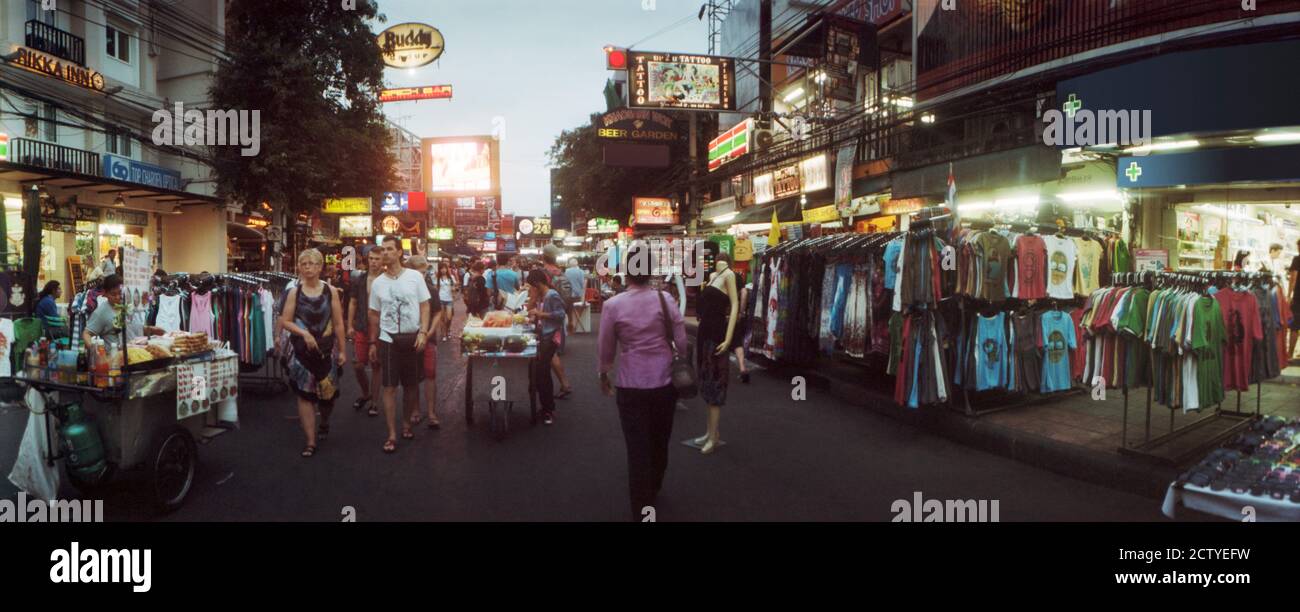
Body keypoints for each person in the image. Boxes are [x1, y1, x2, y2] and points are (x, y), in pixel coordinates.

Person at [598, 241, 687, 520]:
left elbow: (606, 346)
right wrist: (679, 357)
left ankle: (642, 506)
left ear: (626, 271)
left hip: (630, 384)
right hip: (664, 384)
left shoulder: (612, 305)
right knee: (660, 439)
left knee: (637, 447)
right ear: (650, 272)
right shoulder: (666, 300)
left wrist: (604, 372)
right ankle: (655, 485)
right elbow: (682, 341)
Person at [279, 249, 348, 458]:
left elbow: (338, 323)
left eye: (312, 264)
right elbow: (286, 321)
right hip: (302, 351)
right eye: (304, 264)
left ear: (320, 267)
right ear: (299, 267)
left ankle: (324, 421)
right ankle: (310, 441)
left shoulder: (330, 292)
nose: (307, 267)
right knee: (304, 395)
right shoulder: (294, 292)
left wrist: (343, 350)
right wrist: (304, 333)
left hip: (327, 350)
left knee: (327, 397)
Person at [368, 236, 432, 454]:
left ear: (399, 253)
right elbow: (374, 314)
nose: (385, 253)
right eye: (383, 249)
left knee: (412, 385)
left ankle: (406, 423)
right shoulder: (378, 283)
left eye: (389, 249)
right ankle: (392, 433)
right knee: (389, 387)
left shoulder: (415, 277)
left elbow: (425, 306)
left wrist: (423, 332)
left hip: (413, 337)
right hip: (388, 339)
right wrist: (372, 342)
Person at [406, 251, 443, 429]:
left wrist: (429, 332)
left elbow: (437, 312)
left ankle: (431, 412)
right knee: (412, 376)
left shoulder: (431, 289)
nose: (423, 274)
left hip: (428, 338)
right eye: (420, 271)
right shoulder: (403, 288)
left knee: (430, 374)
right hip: (408, 337)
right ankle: (415, 409)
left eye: (424, 271)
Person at [525, 269, 566, 425]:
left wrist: (541, 315)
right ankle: (545, 406)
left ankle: (549, 409)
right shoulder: (542, 296)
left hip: (551, 338)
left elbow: (561, 314)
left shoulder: (552, 295)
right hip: (543, 336)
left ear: (536, 284)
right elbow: (531, 310)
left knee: (542, 372)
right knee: (538, 371)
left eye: (531, 286)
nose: (530, 289)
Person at [347, 246, 385, 417]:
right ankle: (365, 393)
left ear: (382, 261)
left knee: (377, 365)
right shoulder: (360, 279)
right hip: (362, 325)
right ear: (367, 259)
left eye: (377, 259)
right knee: (358, 364)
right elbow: (353, 302)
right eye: (371, 259)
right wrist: (349, 325)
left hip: (381, 327)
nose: (374, 262)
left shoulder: (387, 280)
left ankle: (374, 402)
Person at [541, 245, 574, 398]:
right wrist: (571, 318)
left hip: (546, 317)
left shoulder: (543, 273)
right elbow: (569, 299)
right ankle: (564, 383)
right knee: (552, 351)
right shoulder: (561, 273)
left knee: (549, 353)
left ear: (543, 257)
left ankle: (562, 384)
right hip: (559, 317)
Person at [83, 275, 125, 348]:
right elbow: (86, 334)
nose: (118, 297)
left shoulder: (126, 305)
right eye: (113, 294)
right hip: (112, 357)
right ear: (105, 293)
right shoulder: (101, 312)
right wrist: (96, 352)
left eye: (120, 293)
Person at [733, 277, 752, 384]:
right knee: (737, 342)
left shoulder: (717, 276)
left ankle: (720, 371)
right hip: (734, 314)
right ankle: (742, 367)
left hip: (722, 314)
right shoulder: (736, 276)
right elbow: (744, 292)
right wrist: (741, 311)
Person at [435, 262, 457, 341]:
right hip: (440, 299)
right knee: (442, 318)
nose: (443, 270)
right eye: (441, 268)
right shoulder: (437, 278)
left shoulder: (451, 277)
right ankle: (444, 333)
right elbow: (436, 289)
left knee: (449, 317)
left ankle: (448, 330)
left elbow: (454, 287)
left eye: (444, 268)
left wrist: (454, 289)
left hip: (449, 299)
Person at [565, 259, 586, 332]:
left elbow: (565, 282)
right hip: (577, 294)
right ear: (577, 264)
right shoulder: (580, 272)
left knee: (569, 310)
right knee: (577, 311)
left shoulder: (567, 271)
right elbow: (582, 284)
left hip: (568, 293)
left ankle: (570, 324)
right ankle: (576, 326)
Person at [1289, 238, 1300, 362]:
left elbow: (1293, 278)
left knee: (1295, 326)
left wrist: (1289, 295)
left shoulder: (1297, 259)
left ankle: (1290, 354)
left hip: (1298, 297)